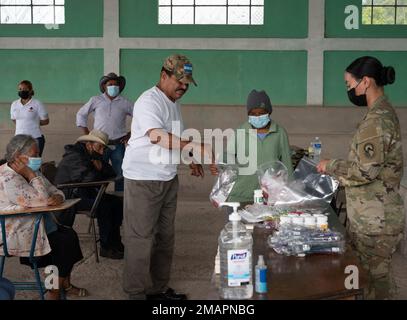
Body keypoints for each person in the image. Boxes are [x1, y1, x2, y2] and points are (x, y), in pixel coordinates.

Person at [122, 54, 213, 300]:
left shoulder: (173, 103)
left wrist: (190, 159)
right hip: (143, 179)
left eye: (187, 83)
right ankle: (136, 293)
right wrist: (197, 148)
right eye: (179, 81)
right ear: (164, 75)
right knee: (140, 238)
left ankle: (158, 288)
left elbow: (175, 139)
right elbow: (157, 137)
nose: (183, 87)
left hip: (167, 178)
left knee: (164, 237)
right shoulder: (149, 101)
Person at [317, 56, 404, 300]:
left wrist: (331, 166)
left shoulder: (376, 121)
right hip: (374, 215)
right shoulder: (381, 114)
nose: (349, 89)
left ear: (365, 82)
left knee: (374, 281)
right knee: (376, 278)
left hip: (375, 220)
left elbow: (365, 171)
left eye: (349, 83)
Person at [0, 135, 86, 300]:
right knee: (65, 244)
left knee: (67, 237)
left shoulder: (33, 171)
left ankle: (58, 286)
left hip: (38, 227)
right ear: (18, 156)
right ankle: (55, 290)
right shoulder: (8, 177)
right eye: (35, 154)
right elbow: (41, 201)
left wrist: (59, 197)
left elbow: (55, 190)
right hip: (17, 232)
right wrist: (31, 176)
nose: (39, 158)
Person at [211, 90, 293, 205]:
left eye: (261, 113)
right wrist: (218, 166)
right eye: (253, 114)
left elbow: (287, 165)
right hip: (240, 195)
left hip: (268, 197)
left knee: (266, 223)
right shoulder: (240, 131)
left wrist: (290, 196)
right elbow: (227, 157)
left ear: (269, 112)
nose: (258, 117)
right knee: (236, 222)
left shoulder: (279, 133)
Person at [54, 129, 124, 260]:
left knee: (116, 203)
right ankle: (106, 247)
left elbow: (111, 172)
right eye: (100, 147)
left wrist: (101, 167)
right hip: (70, 197)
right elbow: (90, 180)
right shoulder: (75, 156)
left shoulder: (92, 154)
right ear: (89, 144)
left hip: (84, 193)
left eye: (104, 148)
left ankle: (115, 243)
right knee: (106, 207)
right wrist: (98, 169)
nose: (102, 151)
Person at [76, 72, 133, 192]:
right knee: (97, 174)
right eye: (110, 84)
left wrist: (131, 133)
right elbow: (81, 114)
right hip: (99, 145)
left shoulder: (125, 102)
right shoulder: (96, 100)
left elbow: (140, 117)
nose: (113, 86)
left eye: (116, 84)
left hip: (118, 144)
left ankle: (119, 200)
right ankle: (98, 200)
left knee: (120, 174)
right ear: (104, 86)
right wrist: (87, 135)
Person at [10, 80, 49, 157]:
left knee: (33, 163)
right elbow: (14, 119)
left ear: (30, 90)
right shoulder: (14, 104)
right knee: (19, 163)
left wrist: (34, 122)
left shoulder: (37, 103)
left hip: (35, 138)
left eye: (24, 89)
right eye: (20, 89)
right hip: (19, 139)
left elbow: (46, 121)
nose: (22, 91)